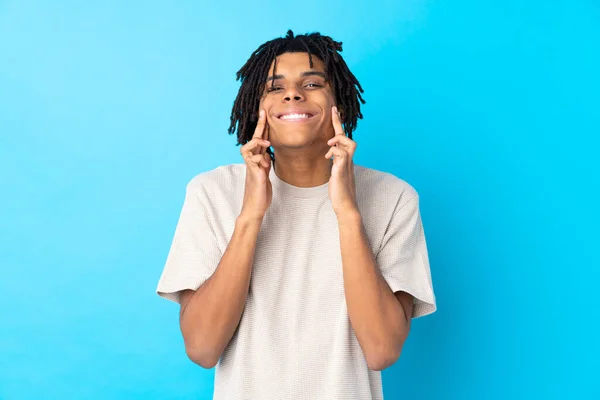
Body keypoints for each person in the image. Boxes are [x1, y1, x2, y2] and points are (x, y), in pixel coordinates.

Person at [156, 30, 436, 400]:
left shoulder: (393, 197)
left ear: (340, 102)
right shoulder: (212, 192)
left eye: (313, 82)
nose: (293, 94)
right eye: (275, 87)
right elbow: (203, 348)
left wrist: (347, 213)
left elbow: (382, 350)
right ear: (255, 105)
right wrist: (251, 215)